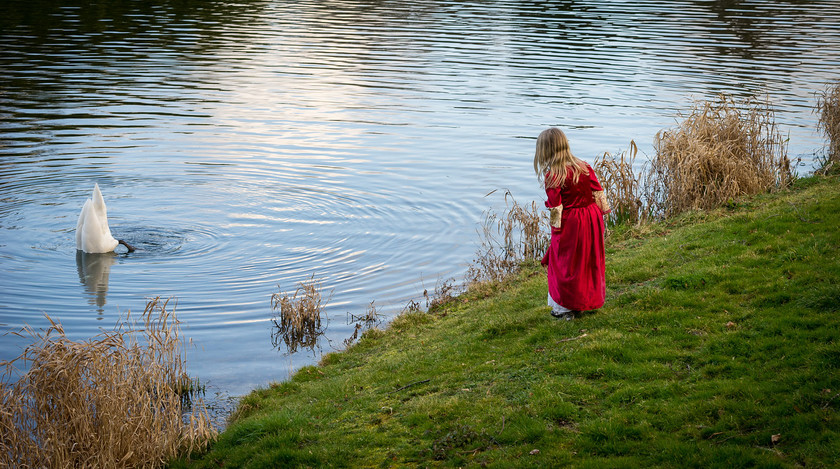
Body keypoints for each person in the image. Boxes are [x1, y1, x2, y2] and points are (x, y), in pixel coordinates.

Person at [533, 127, 610, 320]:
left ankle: (564, 308)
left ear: (545, 150)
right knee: (586, 259)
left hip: (572, 221)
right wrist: (598, 218)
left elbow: (555, 208)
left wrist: (555, 232)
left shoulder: (553, 175)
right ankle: (585, 300)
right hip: (591, 217)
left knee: (564, 262)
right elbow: (598, 193)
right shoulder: (583, 166)